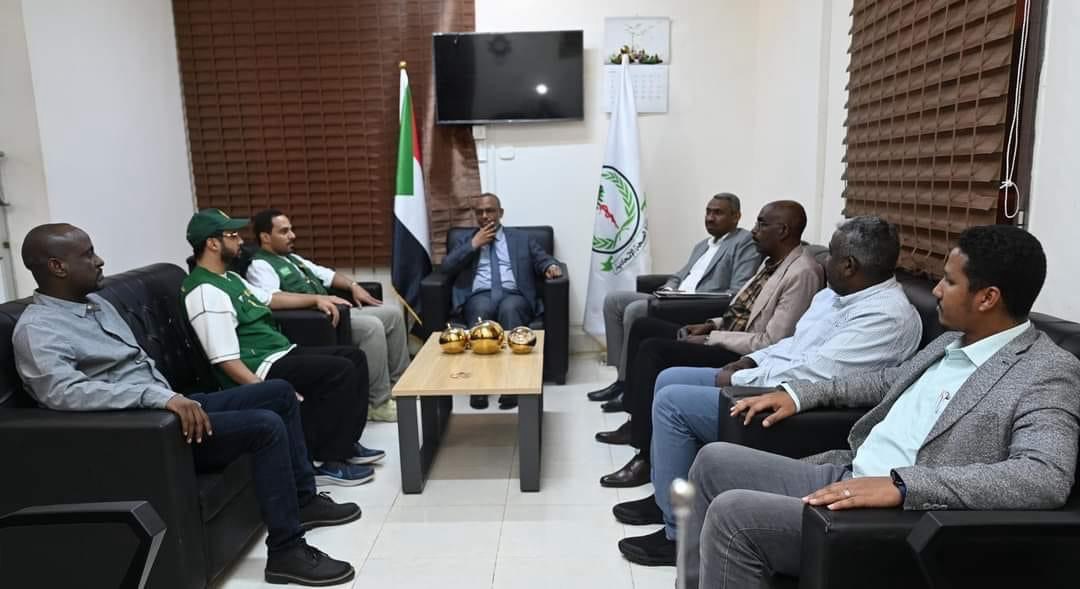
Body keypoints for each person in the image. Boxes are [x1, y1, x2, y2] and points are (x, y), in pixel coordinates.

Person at [684, 225, 1080, 589]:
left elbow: (1043, 477)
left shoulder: (1047, 370)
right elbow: (886, 381)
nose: (936, 290)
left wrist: (904, 486)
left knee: (733, 514)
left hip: (903, 518)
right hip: (851, 473)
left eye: (949, 281)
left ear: (987, 298)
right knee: (713, 461)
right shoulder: (952, 341)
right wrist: (800, 394)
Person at [13, 223, 361, 586]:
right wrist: (161, 398)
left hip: (167, 407)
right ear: (57, 266)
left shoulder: (95, 304)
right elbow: (64, 393)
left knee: (280, 393)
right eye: (87, 255)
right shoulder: (38, 330)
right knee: (265, 425)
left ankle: (303, 501)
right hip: (146, 433)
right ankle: (286, 552)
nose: (99, 260)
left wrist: (169, 397)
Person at [614, 216, 923, 566]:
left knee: (673, 403)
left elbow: (815, 376)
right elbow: (793, 345)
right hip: (768, 377)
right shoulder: (835, 296)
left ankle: (678, 534)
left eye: (832, 255)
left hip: (795, 404)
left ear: (849, 265)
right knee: (668, 378)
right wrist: (750, 361)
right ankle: (666, 496)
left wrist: (741, 378)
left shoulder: (887, 317)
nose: (824, 262)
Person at [596, 201, 824, 487]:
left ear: (783, 230)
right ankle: (636, 421)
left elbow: (771, 341)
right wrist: (712, 324)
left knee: (655, 350)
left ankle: (644, 456)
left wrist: (710, 338)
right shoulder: (770, 263)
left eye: (762, 224)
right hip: (727, 336)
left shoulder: (802, 273)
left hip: (742, 356)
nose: (754, 231)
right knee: (643, 327)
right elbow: (743, 310)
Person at [181, 209, 384, 485]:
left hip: (278, 351)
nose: (240, 241)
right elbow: (224, 360)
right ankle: (326, 461)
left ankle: (344, 444)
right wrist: (264, 390)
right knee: (340, 371)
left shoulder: (230, 278)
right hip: (261, 366)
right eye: (233, 235)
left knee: (354, 358)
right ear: (213, 243)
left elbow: (270, 299)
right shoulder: (206, 292)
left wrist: (315, 299)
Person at [586, 192, 761, 404]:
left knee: (635, 310)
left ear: (736, 216)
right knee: (614, 300)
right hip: (673, 298)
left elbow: (737, 291)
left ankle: (628, 384)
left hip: (694, 306)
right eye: (708, 212)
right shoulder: (703, 245)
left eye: (718, 213)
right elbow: (679, 276)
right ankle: (620, 377)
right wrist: (669, 289)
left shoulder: (744, 242)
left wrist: (687, 298)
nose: (710, 218)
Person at [246, 208, 410, 423]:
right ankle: (377, 403)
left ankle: (401, 386)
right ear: (265, 237)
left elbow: (328, 275)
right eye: (284, 231)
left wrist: (353, 286)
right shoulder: (260, 265)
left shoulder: (292, 258)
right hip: (314, 323)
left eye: (291, 230)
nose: (292, 236)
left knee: (392, 314)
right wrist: (315, 299)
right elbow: (273, 299)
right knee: (372, 327)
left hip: (334, 311)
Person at [441, 192, 563, 410]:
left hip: (513, 294)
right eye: (480, 212)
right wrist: (473, 244)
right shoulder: (466, 239)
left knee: (510, 310)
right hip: (479, 295)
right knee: (481, 312)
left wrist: (550, 266)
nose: (485, 216)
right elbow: (447, 267)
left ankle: (512, 386)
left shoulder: (520, 238)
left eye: (490, 211)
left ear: (500, 213)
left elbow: (542, 258)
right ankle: (480, 386)